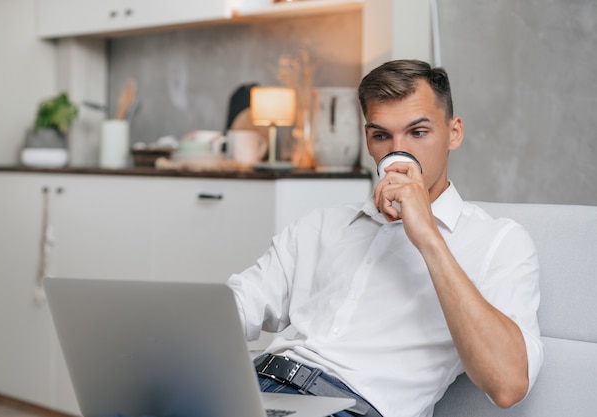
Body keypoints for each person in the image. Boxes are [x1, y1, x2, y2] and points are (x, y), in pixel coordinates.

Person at [227, 59, 543, 417]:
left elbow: (508, 384)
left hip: (350, 409)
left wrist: (428, 237)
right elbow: (232, 308)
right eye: (382, 136)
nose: (398, 153)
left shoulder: (498, 241)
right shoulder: (319, 226)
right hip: (252, 388)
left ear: (454, 133)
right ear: (368, 140)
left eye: (418, 133)